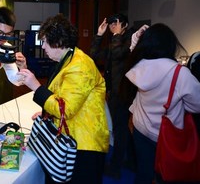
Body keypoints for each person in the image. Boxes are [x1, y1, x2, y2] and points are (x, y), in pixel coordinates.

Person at [18, 14, 109, 184]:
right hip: (72, 137)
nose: (43, 46)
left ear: (58, 41)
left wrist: (36, 86)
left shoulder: (80, 65)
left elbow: (65, 109)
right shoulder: (69, 59)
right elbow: (63, 95)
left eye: (45, 41)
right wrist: (46, 112)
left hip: (83, 145)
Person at [124, 23, 200, 184]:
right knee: (166, 175)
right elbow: (197, 105)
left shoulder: (139, 67)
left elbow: (133, 51)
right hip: (166, 134)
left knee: (143, 173)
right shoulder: (180, 73)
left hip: (140, 129)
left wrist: (137, 39)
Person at [90, 13, 136, 178]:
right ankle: (131, 161)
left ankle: (116, 168)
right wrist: (99, 35)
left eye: (115, 24)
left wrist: (116, 35)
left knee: (120, 128)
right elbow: (94, 55)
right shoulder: (115, 41)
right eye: (110, 25)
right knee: (122, 127)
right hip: (114, 91)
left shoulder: (131, 39)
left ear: (125, 25)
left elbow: (118, 55)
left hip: (123, 92)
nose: (112, 27)